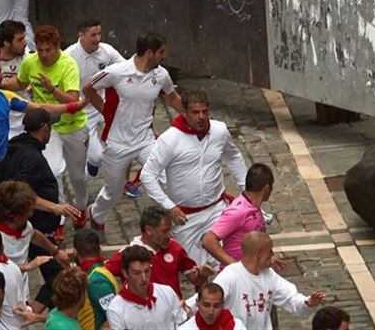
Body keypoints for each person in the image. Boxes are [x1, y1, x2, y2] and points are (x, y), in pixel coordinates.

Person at [0, 55, 85, 266]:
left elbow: (37, 108)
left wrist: (72, 107)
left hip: (1, 169)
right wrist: (2, 167)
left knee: (11, 213)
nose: (3, 76)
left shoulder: (6, 97)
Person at [82, 32, 183, 233]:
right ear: (149, 53)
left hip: (146, 140)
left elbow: (172, 98)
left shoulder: (161, 75)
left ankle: (172, 221)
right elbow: (88, 88)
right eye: (161, 52)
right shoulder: (116, 72)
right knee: (114, 191)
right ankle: (96, 214)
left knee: (164, 176)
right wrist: (105, 111)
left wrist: (191, 115)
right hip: (116, 143)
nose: (164, 56)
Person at [140, 89, 247, 267]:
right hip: (185, 218)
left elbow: (233, 156)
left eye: (204, 111)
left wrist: (245, 190)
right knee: (195, 270)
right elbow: (147, 175)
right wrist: (169, 206)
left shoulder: (220, 131)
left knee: (225, 264)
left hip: (217, 211)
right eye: (195, 112)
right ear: (184, 112)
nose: (201, 117)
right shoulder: (170, 140)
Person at [0, 108, 82, 312]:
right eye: (50, 126)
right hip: (35, 226)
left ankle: (32, 310)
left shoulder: (15, 149)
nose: (51, 131)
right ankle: (32, 313)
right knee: (60, 278)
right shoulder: (33, 158)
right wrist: (54, 207)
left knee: (55, 274)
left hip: (30, 228)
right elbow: (19, 194)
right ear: (43, 129)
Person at [14, 25, 89, 223]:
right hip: (48, 128)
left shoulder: (68, 65)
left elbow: (72, 100)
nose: (44, 54)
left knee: (78, 177)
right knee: (53, 172)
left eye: (49, 50)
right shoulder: (30, 62)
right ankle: (60, 216)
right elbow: (20, 83)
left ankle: (81, 207)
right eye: (40, 50)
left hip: (73, 126)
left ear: (57, 47)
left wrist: (52, 90)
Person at [214, 232, 325, 330]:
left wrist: (308, 303)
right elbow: (201, 303)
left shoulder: (269, 275)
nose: (272, 255)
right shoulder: (229, 276)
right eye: (270, 251)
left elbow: (291, 298)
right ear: (258, 254)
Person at [103, 206, 209, 300]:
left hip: (175, 314)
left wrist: (203, 275)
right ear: (149, 230)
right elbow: (100, 274)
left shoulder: (174, 247)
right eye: (165, 231)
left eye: (170, 230)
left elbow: (195, 279)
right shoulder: (128, 254)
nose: (169, 235)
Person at [63, 19, 124, 177]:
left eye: (99, 34)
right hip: (83, 111)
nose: (97, 39)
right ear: (81, 36)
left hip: (103, 104)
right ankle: (91, 166)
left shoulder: (107, 51)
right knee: (96, 157)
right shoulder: (68, 56)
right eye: (93, 35)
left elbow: (125, 69)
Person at [202, 163, 273, 267]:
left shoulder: (254, 208)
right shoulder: (238, 211)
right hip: (238, 278)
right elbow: (208, 240)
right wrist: (236, 267)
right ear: (267, 188)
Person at [105, 245, 184, 330]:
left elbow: (180, 324)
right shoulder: (116, 309)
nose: (144, 278)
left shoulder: (167, 292)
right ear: (125, 273)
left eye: (147, 271)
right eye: (136, 273)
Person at [72, 228, 119, 330]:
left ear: (75, 252)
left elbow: (115, 317)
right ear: (100, 249)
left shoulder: (95, 281)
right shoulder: (96, 273)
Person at [179, 282, 246, 330]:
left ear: (223, 305)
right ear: (197, 303)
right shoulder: (186, 328)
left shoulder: (237, 326)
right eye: (206, 305)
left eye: (216, 306)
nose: (211, 312)